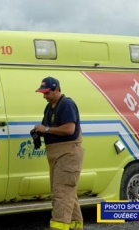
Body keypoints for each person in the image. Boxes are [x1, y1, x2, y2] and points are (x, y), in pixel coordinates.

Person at [33, 76, 84, 230]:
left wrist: (47, 129)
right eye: (43, 93)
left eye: (47, 93)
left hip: (68, 154)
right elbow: (47, 126)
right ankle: (75, 226)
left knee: (61, 194)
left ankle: (59, 227)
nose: (44, 96)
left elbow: (70, 129)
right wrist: (39, 131)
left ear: (56, 90)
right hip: (55, 154)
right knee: (68, 193)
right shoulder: (49, 107)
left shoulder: (67, 104)